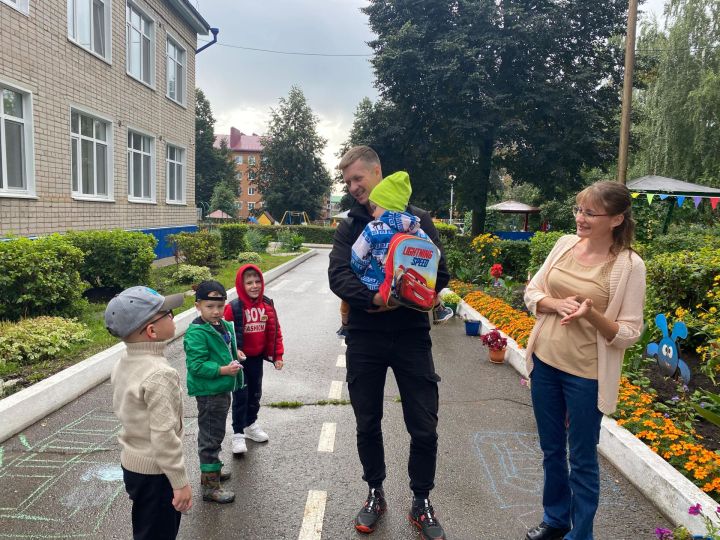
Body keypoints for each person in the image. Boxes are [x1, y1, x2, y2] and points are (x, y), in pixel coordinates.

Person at [328, 146, 450, 540]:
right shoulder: (350, 224)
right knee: (368, 421)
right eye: (347, 183)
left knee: (424, 424)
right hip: (365, 336)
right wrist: (374, 299)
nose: (353, 188)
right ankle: (375, 492)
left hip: (412, 335)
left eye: (357, 179)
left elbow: (441, 272)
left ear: (377, 172)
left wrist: (416, 292)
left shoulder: (418, 221)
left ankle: (421, 500)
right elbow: (339, 276)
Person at [523, 181, 646, 540]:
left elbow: (629, 333)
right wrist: (554, 304)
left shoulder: (629, 265)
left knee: (582, 459)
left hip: (586, 375)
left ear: (617, 219)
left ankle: (582, 534)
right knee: (551, 450)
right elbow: (533, 291)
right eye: (579, 209)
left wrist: (591, 315)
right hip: (545, 363)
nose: (581, 217)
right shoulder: (563, 245)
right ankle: (555, 520)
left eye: (591, 212)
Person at [105, 286, 190, 540]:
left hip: (133, 466)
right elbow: (164, 435)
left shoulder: (125, 361)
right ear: (152, 331)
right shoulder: (159, 374)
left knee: (146, 528)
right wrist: (180, 482)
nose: (173, 317)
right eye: (168, 313)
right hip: (157, 473)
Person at [336, 170, 453, 336]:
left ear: (386, 207)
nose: (373, 213)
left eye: (375, 207)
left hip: (376, 288)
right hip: (406, 296)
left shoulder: (373, 228)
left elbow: (357, 258)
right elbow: (436, 258)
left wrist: (360, 273)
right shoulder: (415, 228)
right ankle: (438, 307)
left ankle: (344, 325)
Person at [184, 280, 245, 504]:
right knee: (210, 435)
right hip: (209, 393)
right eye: (209, 306)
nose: (216, 311)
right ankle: (210, 487)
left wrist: (236, 353)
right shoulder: (197, 333)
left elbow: (226, 346)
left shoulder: (224, 325)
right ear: (197, 306)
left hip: (222, 389)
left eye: (220, 306)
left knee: (217, 432)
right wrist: (222, 369)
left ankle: (213, 471)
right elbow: (196, 365)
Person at [223, 263, 285, 455]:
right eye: (249, 282)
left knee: (255, 394)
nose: (254, 285)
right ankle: (238, 434)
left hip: (257, 359)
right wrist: (235, 351)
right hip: (240, 362)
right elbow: (225, 336)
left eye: (257, 281)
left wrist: (277, 355)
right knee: (241, 396)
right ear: (241, 285)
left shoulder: (267, 305)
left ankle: (250, 424)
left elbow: (275, 332)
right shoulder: (233, 308)